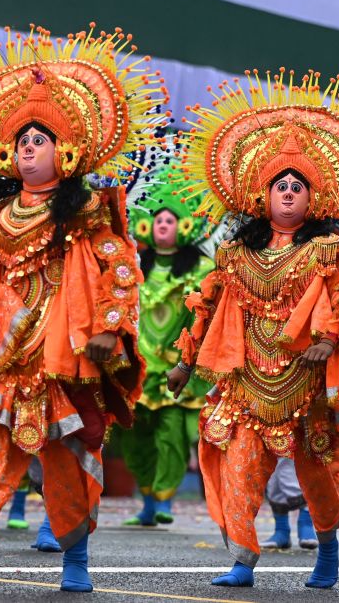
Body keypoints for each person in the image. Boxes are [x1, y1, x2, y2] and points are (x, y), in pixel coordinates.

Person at [0, 24, 166, 592]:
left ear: (68, 151)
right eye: (21, 142)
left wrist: (110, 326)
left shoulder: (87, 215)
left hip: (63, 360)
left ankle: (75, 565)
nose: (28, 149)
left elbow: (122, 270)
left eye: (40, 140)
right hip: (2, 360)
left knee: (65, 465)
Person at [167, 70, 339, 588]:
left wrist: (327, 340)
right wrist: (186, 363)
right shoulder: (235, 255)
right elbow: (208, 308)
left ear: (313, 199)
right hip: (246, 379)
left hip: (306, 382)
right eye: (281, 185)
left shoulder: (326, 251)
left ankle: (327, 549)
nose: (290, 194)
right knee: (239, 472)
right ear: (263, 194)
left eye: (299, 187)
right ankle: (242, 560)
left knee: (319, 477)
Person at [121, 162, 214, 526]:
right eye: (157, 219)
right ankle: (146, 498)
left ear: (184, 225)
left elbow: (205, 316)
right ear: (146, 224)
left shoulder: (201, 270)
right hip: (138, 363)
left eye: (170, 220)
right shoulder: (131, 264)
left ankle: (164, 500)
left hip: (178, 365)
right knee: (136, 435)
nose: (162, 224)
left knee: (171, 435)